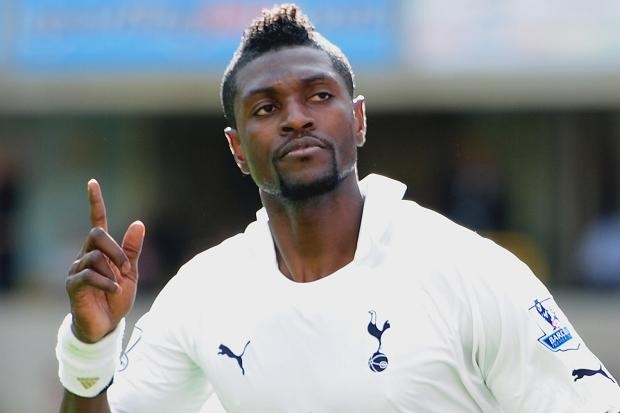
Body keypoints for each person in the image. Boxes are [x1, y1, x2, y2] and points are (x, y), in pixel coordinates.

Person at [56, 4, 620, 413]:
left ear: (358, 119)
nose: (296, 117)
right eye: (266, 107)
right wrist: (89, 348)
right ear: (237, 149)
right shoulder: (204, 292)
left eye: (319, 96)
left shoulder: (467, 269)